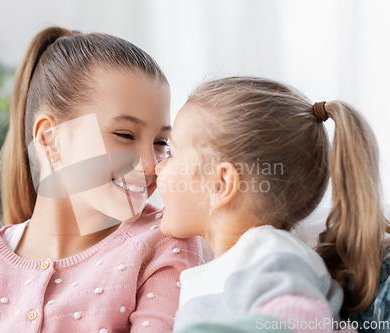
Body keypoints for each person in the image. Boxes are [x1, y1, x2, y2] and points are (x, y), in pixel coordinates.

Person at [0, 26, 202, 333]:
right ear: (50, 140)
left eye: (161, 143)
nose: (152, 164)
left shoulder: (164, 242)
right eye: (125, 134)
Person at [155, 76, 389, 332]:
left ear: (221, 184)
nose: (158, 166)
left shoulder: (269, 255)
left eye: (171, 154)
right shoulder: (236, 264)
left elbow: (302, 321)